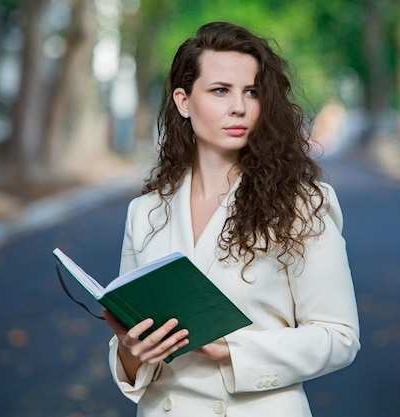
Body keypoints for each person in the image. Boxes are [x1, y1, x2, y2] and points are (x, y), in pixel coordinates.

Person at [102, 21, 360, 417]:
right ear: (184, 102)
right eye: (221, 90)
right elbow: (136, 367)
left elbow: (339, 337)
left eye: (252, 92)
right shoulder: (146, 211)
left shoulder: (301, 203)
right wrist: (131, 349)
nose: (239, 106)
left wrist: (232, 351)